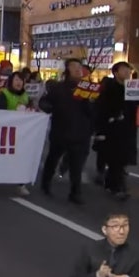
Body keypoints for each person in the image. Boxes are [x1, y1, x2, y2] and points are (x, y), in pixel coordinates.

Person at [38, 58, 94, 205]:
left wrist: (88, 101)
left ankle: (76, 192)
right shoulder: (58, 88)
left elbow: (93, 111)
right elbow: (44, 102)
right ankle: (45, 184)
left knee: (77, 165)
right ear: (67, 69)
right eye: (74, 66)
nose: (77, 69)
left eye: (79, 66)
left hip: (80, 133)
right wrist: (50, 108)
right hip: (60, 131)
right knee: (53, 159)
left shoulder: (87, 89)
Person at [94, 62, 139, 201]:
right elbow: (100, 109)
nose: (127, 73)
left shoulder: (132, 88)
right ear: (115, 72)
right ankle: (117, 187)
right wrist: (111, 118)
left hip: (128, 129)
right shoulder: (108, 88)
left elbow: (137, 107)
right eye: (124, 70)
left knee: (121, 160)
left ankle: (112, 184)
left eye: (129, 70)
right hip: (112, 129)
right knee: (116, 159)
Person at [0, 71, 32, 196]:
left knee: (21, 158)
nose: (19, 83)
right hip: (5, 130)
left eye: (21, 80)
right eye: (16, 80)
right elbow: (1, 111)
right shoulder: (4, 93)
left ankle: (21, 184)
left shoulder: (25, 95)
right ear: (11, 82)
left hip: (22, 132)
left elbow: (31, 109)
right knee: (2, 156)